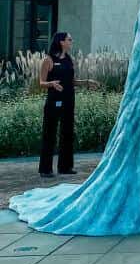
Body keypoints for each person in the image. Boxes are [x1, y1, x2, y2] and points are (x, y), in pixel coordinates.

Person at [38, 32, 97, 177]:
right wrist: (51, 84)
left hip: (69, 100)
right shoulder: (49, 60)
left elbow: (71, 81)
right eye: (69, 39)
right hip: (53, 101)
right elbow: (41, 82)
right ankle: (45, 169)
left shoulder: (69, 60)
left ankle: (65, 167)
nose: (72, 41)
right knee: (49, 134)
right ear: (61, 42)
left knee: (67, 133)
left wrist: (86, 83)